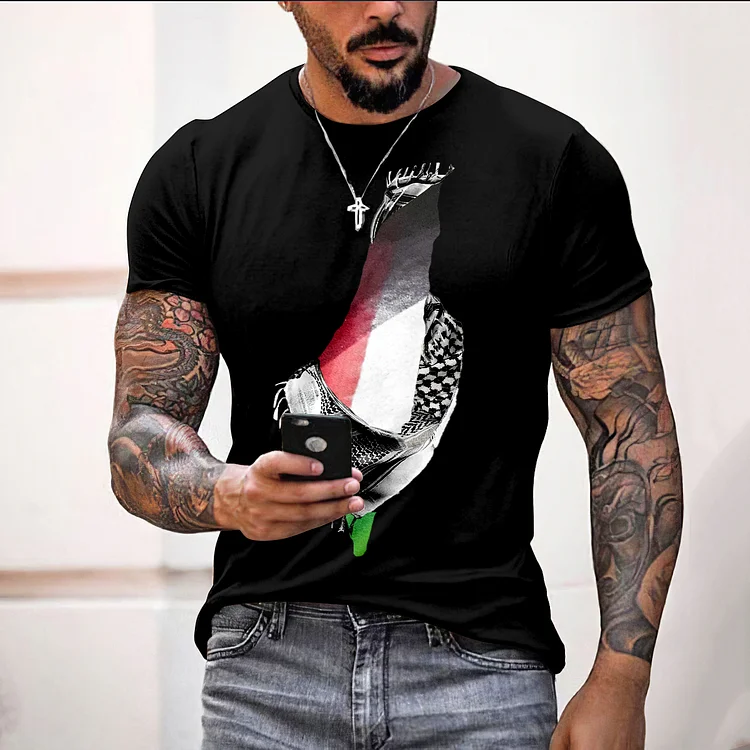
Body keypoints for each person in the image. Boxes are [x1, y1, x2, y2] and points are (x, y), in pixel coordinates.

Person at [108, 2, 684, 748]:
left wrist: (623, 677)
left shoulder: (553, 162)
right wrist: (230, 494)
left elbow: (628, 430)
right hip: (267, 674)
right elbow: (141, 432)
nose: (385, 7)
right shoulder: (199, 171)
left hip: (481, 673)